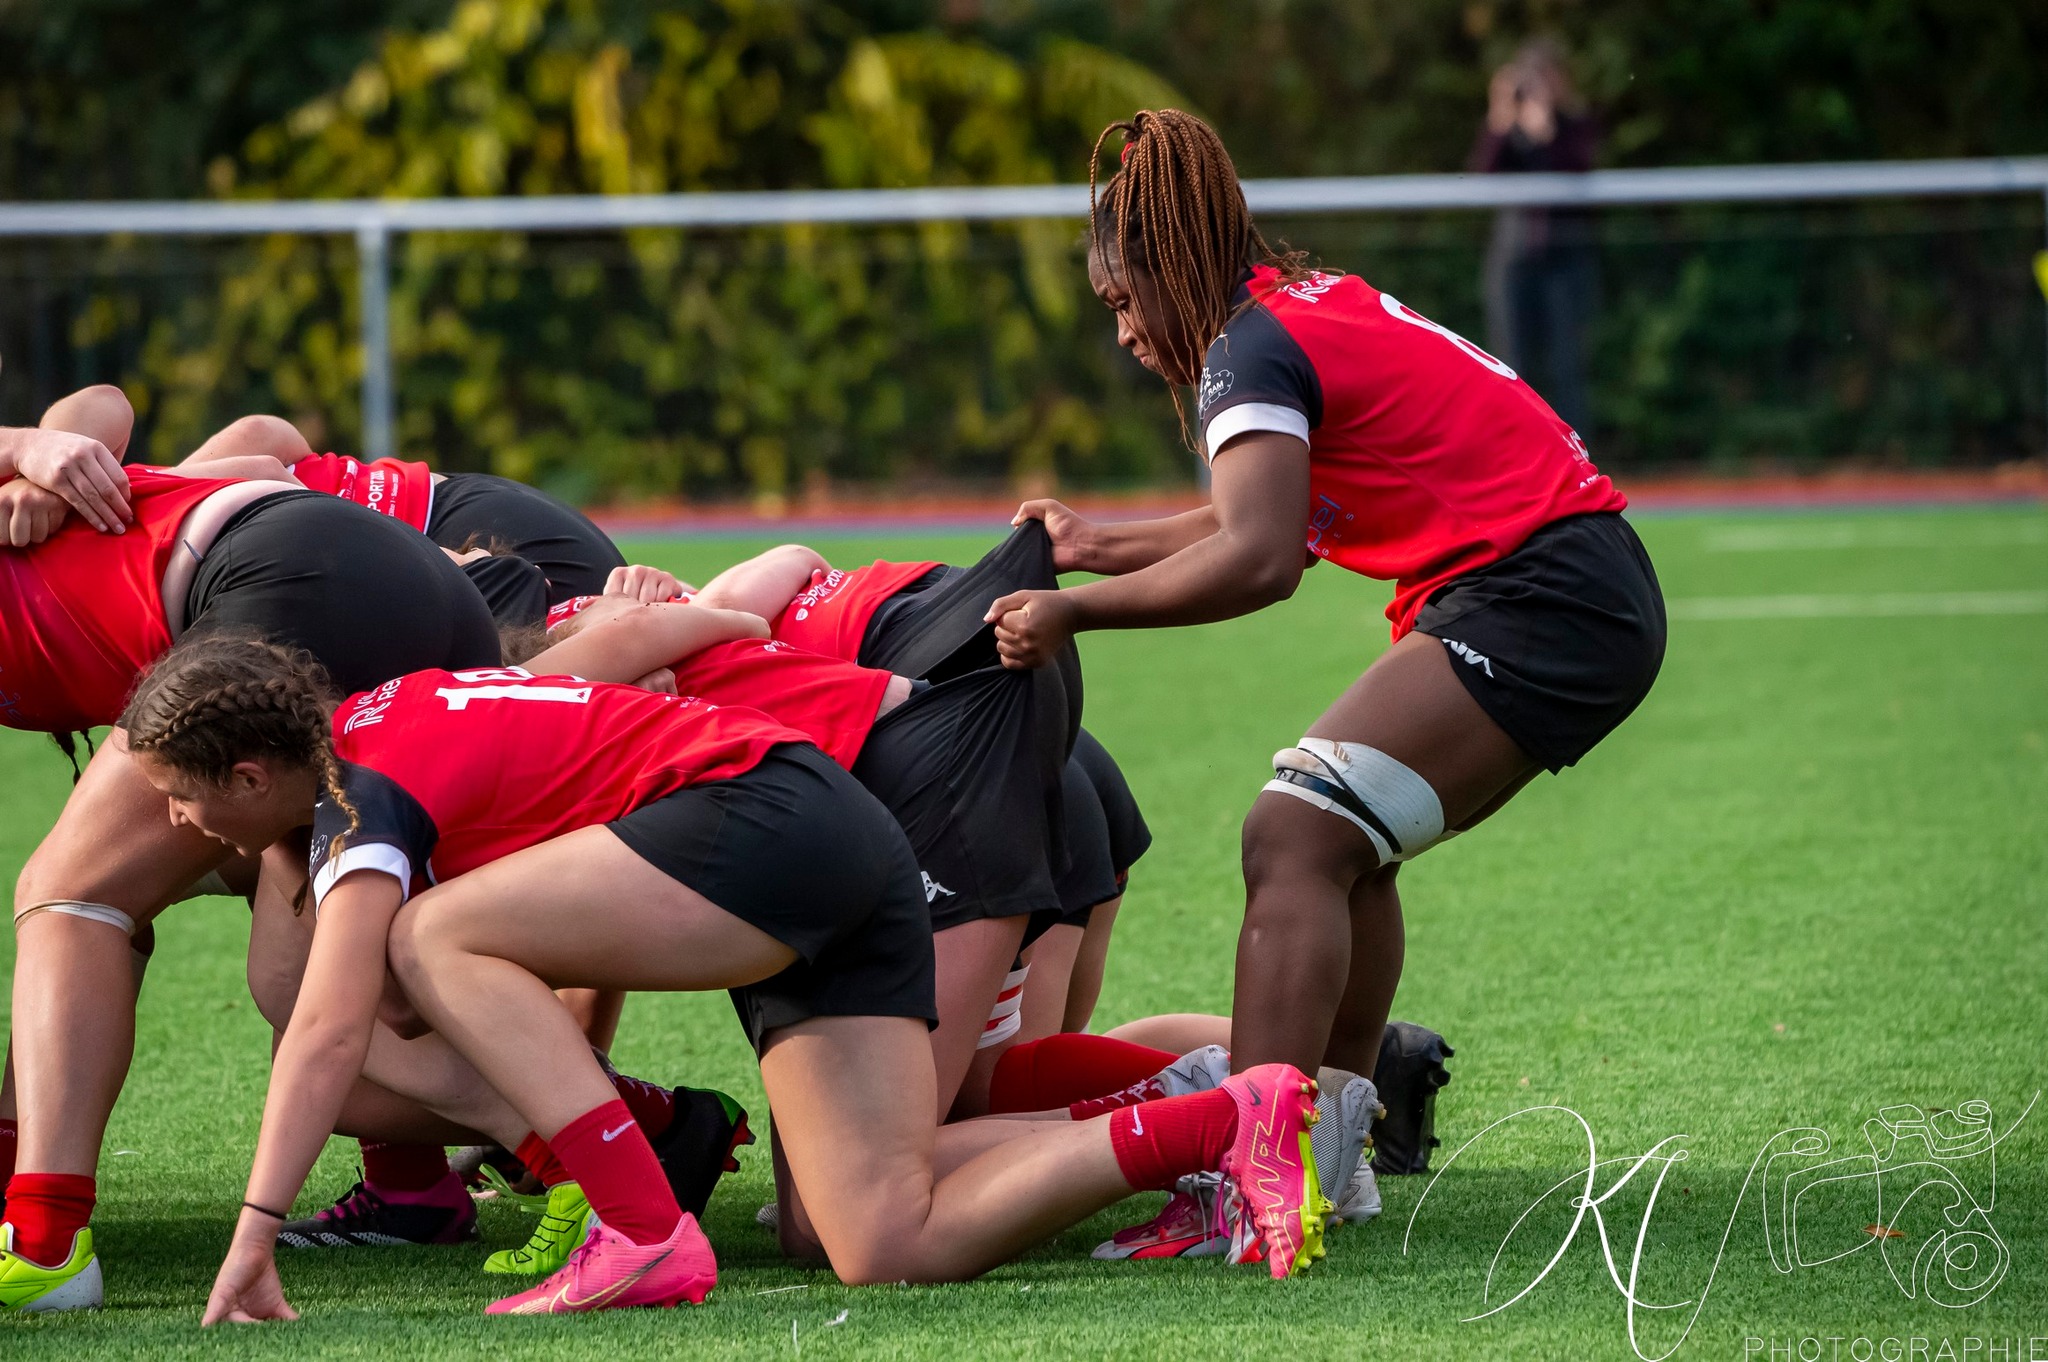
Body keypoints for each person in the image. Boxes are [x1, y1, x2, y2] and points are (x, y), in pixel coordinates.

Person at [116, 635, 1329, 1320]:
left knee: (431, 941)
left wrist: (252, 1236)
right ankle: (1227, 1118)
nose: (176, 820)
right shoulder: (381, 723)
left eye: (179, 792)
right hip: (832, 834)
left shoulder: (353, 795)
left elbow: (325, 1033)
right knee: (877, 1235)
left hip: (773, 820)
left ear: (251, 769)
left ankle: (640, 1226)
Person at [982, 107, 1664, 1231]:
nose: (1121, 335)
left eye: (1119, 303)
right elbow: (1267, 517)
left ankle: (1246, 1174)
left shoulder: (1244, 346)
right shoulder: (1289, 313)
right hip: (1569, 588)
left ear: (1169, 267)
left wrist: (1070, 612)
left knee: (1290, 833)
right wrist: (1095, 544)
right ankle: (1328, 1150)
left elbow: (1255, 558)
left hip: (1542, 594)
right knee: (1345, 845)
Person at [0, 386, 502, 1313]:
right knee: (304, 979)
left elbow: (100, 406)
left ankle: (43, 1246)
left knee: (71, 897)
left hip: (276, 586)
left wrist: (28, 444)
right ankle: (623, 1128)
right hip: (398, 584)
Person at [179, 414, 630, 625]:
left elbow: (264, 446)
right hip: (451, 512)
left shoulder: (153, 503)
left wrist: (158, 481)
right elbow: (265, 436)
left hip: (456, 532)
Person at [1468, 38, 1602, 434]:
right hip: (1513, 260)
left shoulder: (1575, 127)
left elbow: (1581, 173)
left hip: (1566, 259)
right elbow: (1483, 176)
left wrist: (1547, 132)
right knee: (1511, 365)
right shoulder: (1508, 133)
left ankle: (1578, 459)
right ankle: (1519, 455)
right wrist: (1499, 118)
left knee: (1568, 364)